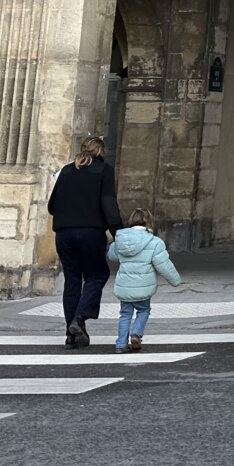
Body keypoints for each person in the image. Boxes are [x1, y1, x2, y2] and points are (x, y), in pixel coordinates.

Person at [47, 134, 123, 347]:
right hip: (90, 232)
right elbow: (109, 203)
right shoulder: (103, 170)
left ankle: (71, 334)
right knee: (97, 275)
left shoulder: (66, 171)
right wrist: (119, 233)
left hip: (63, 233)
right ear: (101, 151)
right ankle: (80, 318)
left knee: (72, 279)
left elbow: (52, 206)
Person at [106, 207, 182, 352]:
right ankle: (136, 334)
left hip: (125, 286)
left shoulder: (120, 239)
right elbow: (164, 265)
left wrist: (112, 244)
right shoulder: (155, 242)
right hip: (144, 287)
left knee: (125, 314)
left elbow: (112, 256)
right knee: (144, 310)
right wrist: (175, 281)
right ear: (149, 222)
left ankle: (121, 344)